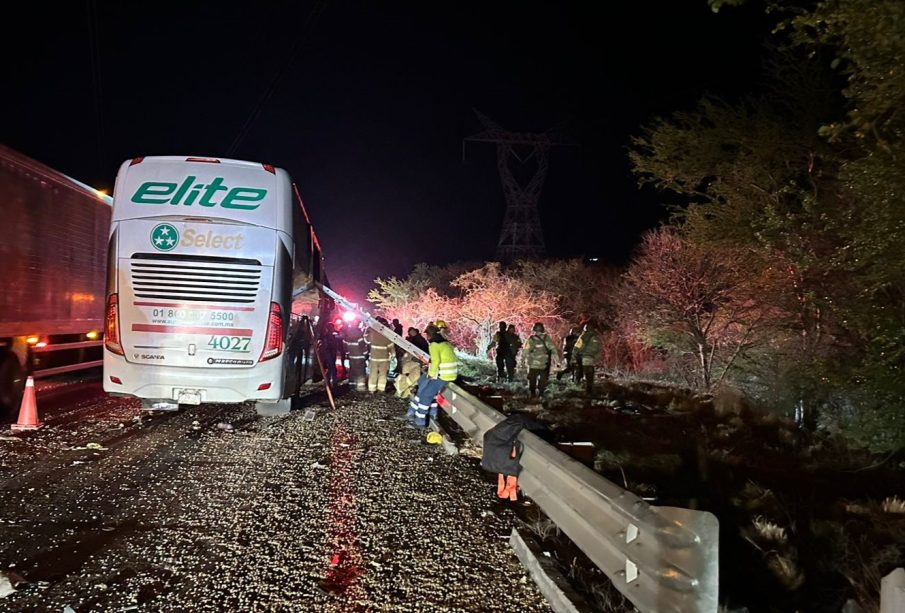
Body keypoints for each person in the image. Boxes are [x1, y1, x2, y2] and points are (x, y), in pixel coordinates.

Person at [408, 324, 458, 428]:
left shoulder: (434, 345)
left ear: (429, 335)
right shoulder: (445, 343)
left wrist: (430, 375)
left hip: (442, 375)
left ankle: (419, 421)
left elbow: (435, 361)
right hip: (450, 374)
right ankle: (427, 414)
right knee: (423, 385)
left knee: (425, 394)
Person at [523, 322, 559, 398]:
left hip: (533, 364)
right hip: (544, 364)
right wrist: (557, 361)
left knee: (532, 380)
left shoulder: (531, 339)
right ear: (542, 329)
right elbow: (553, 349)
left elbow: (526, 351)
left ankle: (533, 394)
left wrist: (524, 360)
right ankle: (541, 394)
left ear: (534, 329)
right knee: (543, 380)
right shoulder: (546, 338)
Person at [573, 322, 602, 396]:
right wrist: (596, 359)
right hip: (591, 360)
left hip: (583, 359)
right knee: (590, 378)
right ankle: (590, 393)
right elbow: (599, 350)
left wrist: (574, 357)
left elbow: (576, 348)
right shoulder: (596, 338)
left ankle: (578, 392)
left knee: (579, 375)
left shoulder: (582, 337)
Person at [366, 318, 395, 393]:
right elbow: (391, 347)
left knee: (373, 374)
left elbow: (366, 340)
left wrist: (367, 331)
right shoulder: (387, 335)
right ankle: (381, 389)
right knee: (383, 374)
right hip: (384, 359)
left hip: (374, 358)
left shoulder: (372, 333)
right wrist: (393, 356)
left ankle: (372, 389)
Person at [342, 322, 367, 391]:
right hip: (360, 356)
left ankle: (352, 385)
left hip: (351, 356)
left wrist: (347, 353)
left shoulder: (347, 335)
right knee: (360, 371)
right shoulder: (359, 333)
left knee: (352, 370)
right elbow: (362, 345)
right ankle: (360, 387)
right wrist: (365, 354)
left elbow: (344, 346)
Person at [317, 322, 340, 391]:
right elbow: (326, 346)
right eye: (332, 328)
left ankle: (329, 383)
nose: (333, 329)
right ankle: (333, 384)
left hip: (332, 353)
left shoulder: (332, 336)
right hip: (328, 353)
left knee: (331, 368)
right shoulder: (326, 337)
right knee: (332, 368)